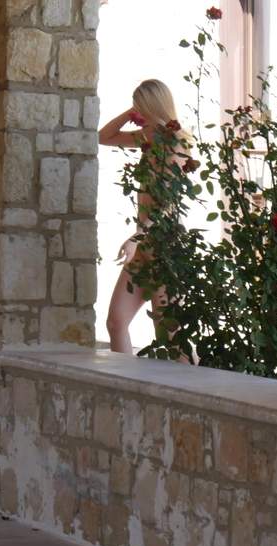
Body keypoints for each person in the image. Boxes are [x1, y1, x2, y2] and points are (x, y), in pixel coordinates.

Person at [98, 79, 188, 356]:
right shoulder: (148, 138)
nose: (139, 114)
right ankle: (122, 380)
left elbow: (165, 204)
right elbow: (103, 137)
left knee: (169, 332)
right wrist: (128, 113)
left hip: (164, 245)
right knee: (116, 322)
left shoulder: (175, 143)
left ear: (154, 107)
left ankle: (191, 382)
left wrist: (135, 237)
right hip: (144, 243)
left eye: (142, 107)